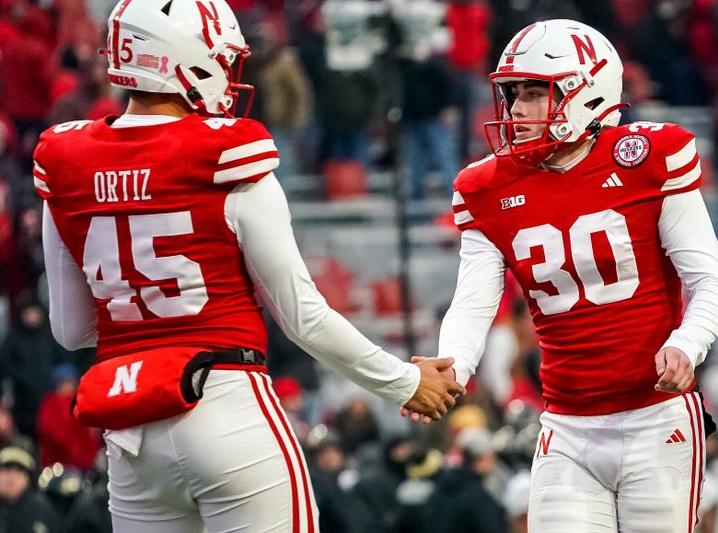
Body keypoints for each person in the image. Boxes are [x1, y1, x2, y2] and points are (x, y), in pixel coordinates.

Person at [33, 1, 463, 531]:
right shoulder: (223, 152)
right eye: (219, 57)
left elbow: (71, 330)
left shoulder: (66, 158)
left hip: (131, 435)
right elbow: (302, 315)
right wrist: (402, 381)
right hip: (225, 408)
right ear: (181, 60)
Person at [407, 18, 718, 532]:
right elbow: (473, 302)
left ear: (586, 93)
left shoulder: (646, 159)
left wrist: (687, 343)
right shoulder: (486, 187)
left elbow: (710, 282)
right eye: (512, 93)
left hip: (656, 418)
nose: (515, 109)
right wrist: (453, 368)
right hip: (566, 426)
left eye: (534, 93)